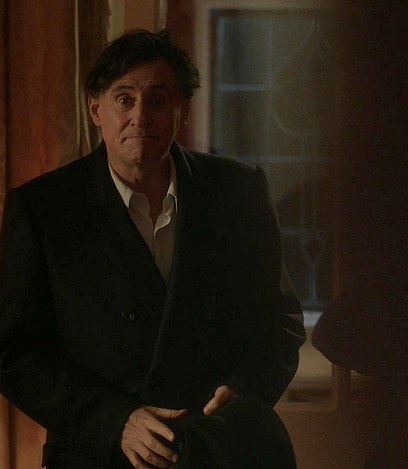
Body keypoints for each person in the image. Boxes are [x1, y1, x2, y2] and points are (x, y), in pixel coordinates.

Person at [0, 29, 305, 468]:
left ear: (182, 111)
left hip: (218, 445)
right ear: (96, 109)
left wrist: (245, 389)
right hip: (99, 451)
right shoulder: (43, 208)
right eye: (124, 100)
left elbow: (280, 320)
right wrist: (116, 422)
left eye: (158, 100)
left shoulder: (238, 191)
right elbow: (15, 353)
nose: (140, 116)